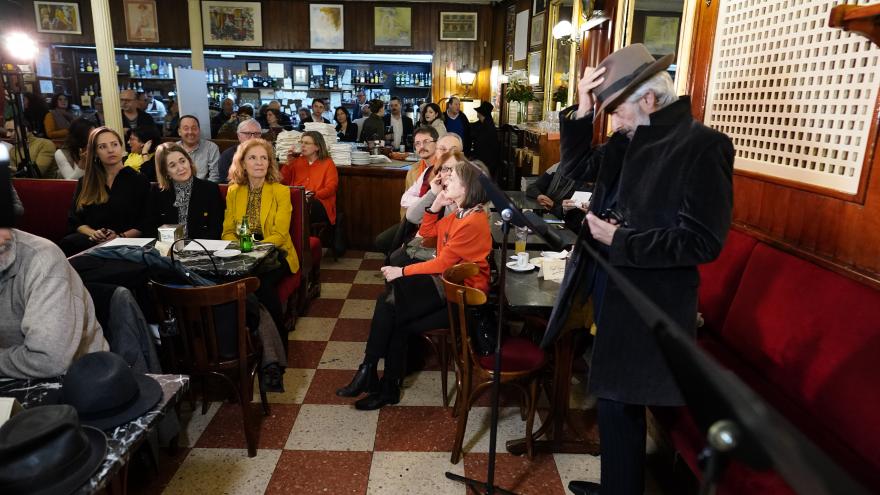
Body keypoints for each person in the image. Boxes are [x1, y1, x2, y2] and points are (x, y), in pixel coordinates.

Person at [548, 44, 735, 495]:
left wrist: (622, 239)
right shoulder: (626, 140)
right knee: (614, 401)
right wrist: (583, 108)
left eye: (616, 110)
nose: (612, 121)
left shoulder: (704, 147)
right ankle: (619, 486)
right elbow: (567, 177)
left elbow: (703, 241)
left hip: (652, 300)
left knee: (616, 401)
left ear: (649, 100)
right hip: (610, 285)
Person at [336, 159, 491, 410]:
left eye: (453, 177)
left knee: (393, 310)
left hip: (464, 301)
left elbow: (442, 263)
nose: (446, 180)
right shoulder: (461, 214)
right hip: (449, 288)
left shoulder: (473, 221)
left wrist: (402, 271)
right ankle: (376, 377)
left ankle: (374, 375)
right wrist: (435, 206)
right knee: (392, 308)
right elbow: (428, 234)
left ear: (468, 187)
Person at [0, 166, 109, 379]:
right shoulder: (86, 182)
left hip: (76, 386)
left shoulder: (41, 259)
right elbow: (77, 221)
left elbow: (49, 360)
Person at [221, 139, 299, 339]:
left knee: (259, 284)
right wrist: (241, 247)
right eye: (253, 158)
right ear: (243, 163)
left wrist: (254, 249)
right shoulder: (234, 191)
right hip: (242, 251)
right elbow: (228, 231)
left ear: (270, 163)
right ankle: (241, 338)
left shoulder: (281, 192)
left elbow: (280, 235)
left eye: (264, 158)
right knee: (230, 282)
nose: (259, 162)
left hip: (275, 252)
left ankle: (279, 341)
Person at [59, 127, 152, 257]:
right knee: (69, 243)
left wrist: (119, 237)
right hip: (91, 241)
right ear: (95, 152)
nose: (110, 150)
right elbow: (75, 221)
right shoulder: (86, 181)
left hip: (126, 244)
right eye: (102, 147)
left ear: (121, 147)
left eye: (114, 144)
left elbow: (146, 223)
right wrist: (93, 233)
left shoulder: (138, 180)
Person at [373, 126, 439, 254]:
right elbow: (405, 202)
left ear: (437, 143)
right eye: (417, 143)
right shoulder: (413, 170)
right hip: (412, 221)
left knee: (397, 252)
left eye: (426, 141)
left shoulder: (444, 168)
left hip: (435, 224)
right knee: (381, 241)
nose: (422, 146)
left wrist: (419, 203)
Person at [150, 142, 224, 239]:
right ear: (165, 172)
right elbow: (151, 229)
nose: (181, 168)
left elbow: (216, 229)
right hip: (168, 250)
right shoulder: (157, 192)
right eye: (172, 165)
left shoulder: (210, 189)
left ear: (189, 161)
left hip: (202, 248)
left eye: (182, 161)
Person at [281, 131, 338, 225]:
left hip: (319, 202)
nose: (302, 145)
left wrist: (312, 196)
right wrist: (288, 164)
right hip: (296, 200)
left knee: (302, 206)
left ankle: (299, 237)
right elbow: (283, 182)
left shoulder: (328, 163)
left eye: (307, 143)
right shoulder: (296, 161)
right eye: (301, 142)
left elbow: (331, 188)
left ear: (317, 147)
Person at [525, 162, 590, 229]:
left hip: (567, 225)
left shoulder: (587, 177)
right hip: (546, 215)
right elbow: (531, 187)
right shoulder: (557, 167)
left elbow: (576, 215)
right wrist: (539, 195)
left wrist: (554, 205)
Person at [177, 115, 220, 182]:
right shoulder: (172, 149)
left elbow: (215, 176)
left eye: (194, 128)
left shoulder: (211, 147)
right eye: (186, 128)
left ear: (199, 130)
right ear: (179, 132)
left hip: (203, 188)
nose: (190, 132)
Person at [218, 118, 262, 184]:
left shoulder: (267, 153)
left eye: (256, 133)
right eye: (247, 133)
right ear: (239, 135)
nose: (253, 138)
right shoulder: (227, 155)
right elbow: (225, 181)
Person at [469, 101, 501, 177]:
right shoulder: (486, 123)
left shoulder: (487, 127)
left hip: (486, 162)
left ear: (480, 113)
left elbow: (481, 145)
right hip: (488, 161)